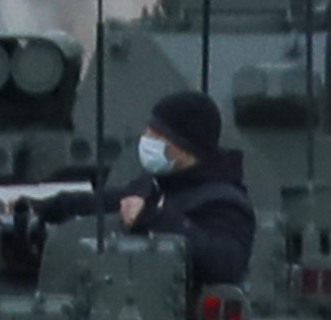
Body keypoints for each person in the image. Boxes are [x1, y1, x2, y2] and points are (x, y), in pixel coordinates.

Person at [30, 90, 256, 287]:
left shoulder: (224, 202)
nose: (146, 140)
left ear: (185, 147)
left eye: (157, 136)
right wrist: (50, 207)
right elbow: (108, 201)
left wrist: (155, 219)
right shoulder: (162, 183)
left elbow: (226, 264)